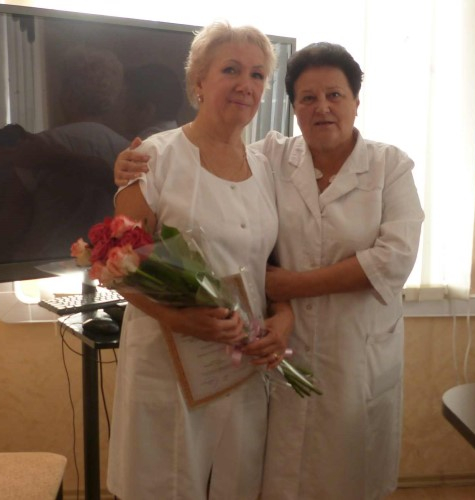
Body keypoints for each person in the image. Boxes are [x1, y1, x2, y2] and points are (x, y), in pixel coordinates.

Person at [115, 41, 424, 500]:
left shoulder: (386, 165)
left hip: (342, 354)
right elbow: (121, 258)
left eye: (335, 95)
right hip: (238, 358)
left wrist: (288, 299)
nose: (322, 107)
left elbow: (393, 257)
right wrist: (124, 166)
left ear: (357, 101)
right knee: (258, 479)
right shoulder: (261, 157)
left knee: (343, 477)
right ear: (293, 108)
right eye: (307, 97)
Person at [107, 21, 293, 500]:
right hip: (167, 361)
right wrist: (180, 319)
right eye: (231, 70)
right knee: (164, 485)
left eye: (257, 75)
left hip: (240, 362)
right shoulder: (154, 157)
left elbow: (271, 266)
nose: (245, 84)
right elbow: (115, 263)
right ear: (199, 81)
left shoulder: (266, 169)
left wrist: (284, 319)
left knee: (238, 482)